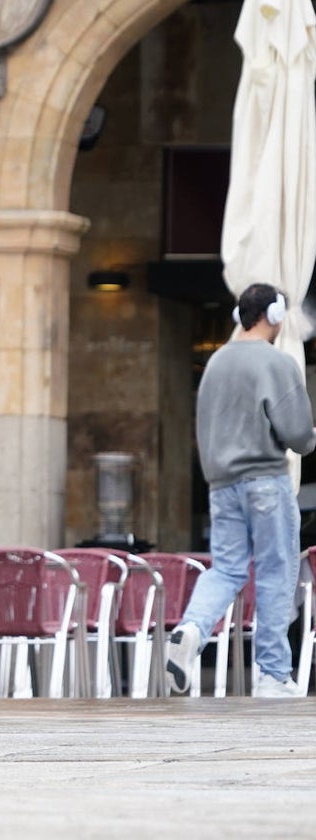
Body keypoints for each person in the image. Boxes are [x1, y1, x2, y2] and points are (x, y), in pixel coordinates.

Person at [166, 283, 316, 698]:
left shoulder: (214, 363)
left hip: (221, 485)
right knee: (275, 571)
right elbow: (299, 436)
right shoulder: (277, 362)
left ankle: (191, 629)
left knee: (227, 570)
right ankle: (272, 674)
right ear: (274, 314)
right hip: (266, 480)